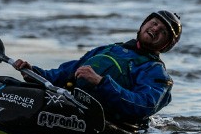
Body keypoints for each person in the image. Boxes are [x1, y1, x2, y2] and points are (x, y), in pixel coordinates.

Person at [11, 9, 180, 125]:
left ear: (165, 45)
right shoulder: (108, 49)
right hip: (71, 108)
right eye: (154, 23)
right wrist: (33, 73)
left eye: (163, 32)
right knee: (11, 85)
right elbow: (66, 73)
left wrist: (101, 83)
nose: (155, 29)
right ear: (144, 24)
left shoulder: (156, 72)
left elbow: (144, 105)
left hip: (104, 124)